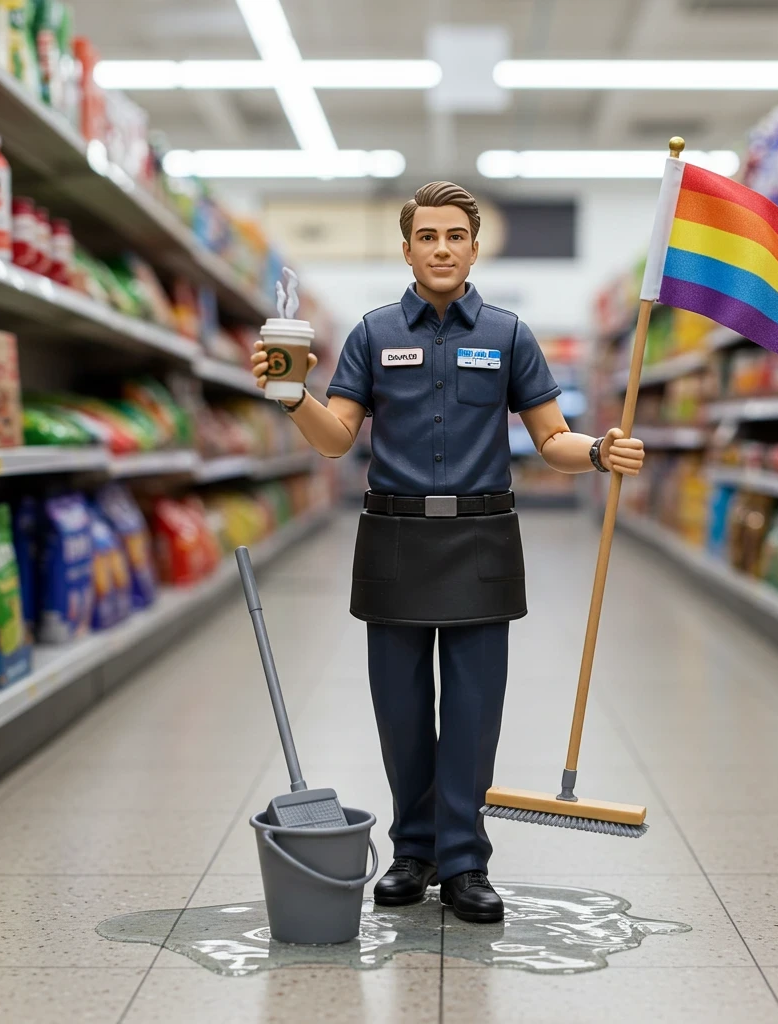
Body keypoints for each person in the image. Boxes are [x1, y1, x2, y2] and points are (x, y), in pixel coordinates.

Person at [251, 181, 644, 923]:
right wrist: (293, 397)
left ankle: (465, 860)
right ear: (407, 249)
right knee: (399, 708)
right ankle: (413, 850)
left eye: (454, 236)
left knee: (471, 709)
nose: (440, 249)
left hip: (480, 537)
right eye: (426, 237)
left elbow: (551, 437)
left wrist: (598, 450)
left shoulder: (508, 334)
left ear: (472, 246)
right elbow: (338, 439)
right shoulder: (370, 334)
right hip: (394, 537)